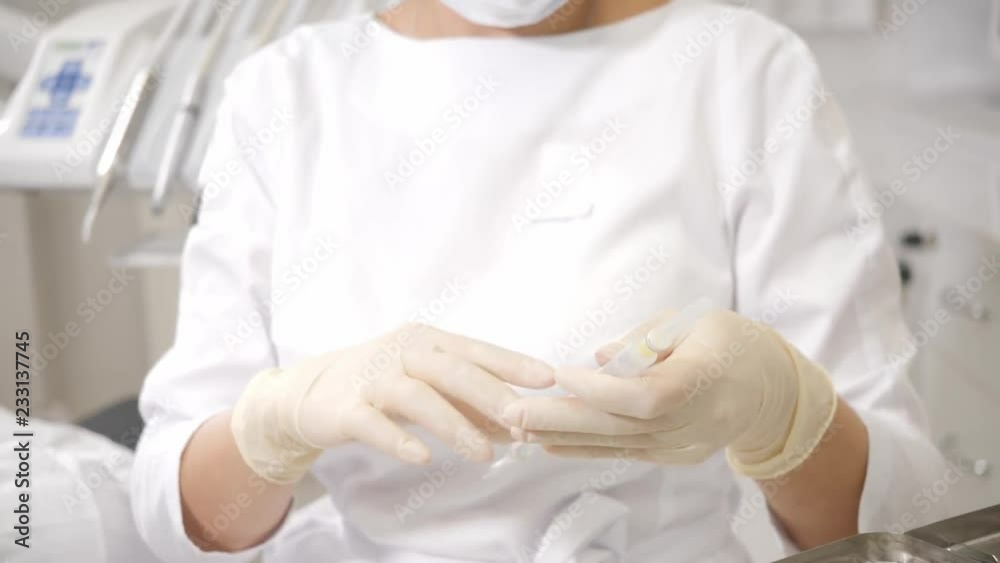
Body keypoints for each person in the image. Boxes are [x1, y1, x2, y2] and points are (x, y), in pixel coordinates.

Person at [131, 1, 953, 561]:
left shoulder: (742, 71)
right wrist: (275, 426)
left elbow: (904, 519)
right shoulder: (283, 95)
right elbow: (183, 518)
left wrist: (784, 412)